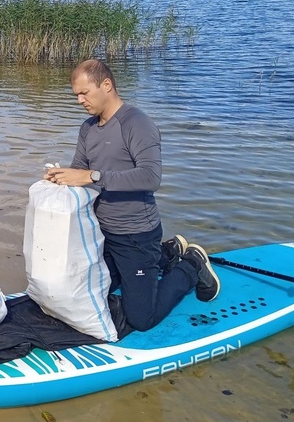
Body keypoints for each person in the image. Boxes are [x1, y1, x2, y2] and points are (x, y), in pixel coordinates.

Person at [44, 59, 220, 332]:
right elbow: (79, 170)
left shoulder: (137, 123)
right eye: (76, 95)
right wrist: (60, 178)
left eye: (84, 93)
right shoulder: (87, 128)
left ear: (106, 85)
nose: (79, 101)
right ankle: (166, 253)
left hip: (136, 234)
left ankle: (191, 265)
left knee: (141, 320)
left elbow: (151, 177)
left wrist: (93, 176)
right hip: (103, 234)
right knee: (94, 292)